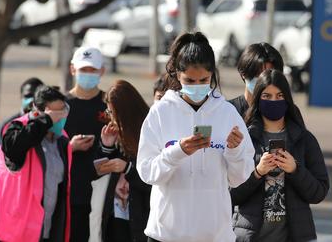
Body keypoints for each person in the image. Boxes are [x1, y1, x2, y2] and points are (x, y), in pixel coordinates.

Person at [137, 32, 255, 242]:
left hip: (215, 235)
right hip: (166, 235)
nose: (197, 85)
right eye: (189, 80)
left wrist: (235, 150)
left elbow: (239, 179)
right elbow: (147, 173)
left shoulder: (227, 113)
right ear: (177, 75)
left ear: (212, 75)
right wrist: (178, 151)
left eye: (204, 80)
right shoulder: (160, 112)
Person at [231, 69, 329, 242]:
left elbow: (319, 192)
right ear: (258, 99)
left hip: (294, 236)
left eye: (279, 95)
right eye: (267, 96)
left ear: (288, 99)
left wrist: (296, 170)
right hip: (249, 236)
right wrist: (257, 173)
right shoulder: (245, 139)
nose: (273, 101)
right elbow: (230, 195)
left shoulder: (304, 139)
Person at [0, 86, 72, 242]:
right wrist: (45, 121)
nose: (61, 118)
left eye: (64, 112)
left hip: (40, 232)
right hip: (2, 232)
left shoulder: (62, 141)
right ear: (39, 114)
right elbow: (14, 147)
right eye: (56, 115)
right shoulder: (17, 128)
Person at [92, 80, 152, 242]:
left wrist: (128, 169)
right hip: (115, 212)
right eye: (109, 112)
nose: (110, 117)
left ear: (125, 111)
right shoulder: (116, 131)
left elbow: (156, 179)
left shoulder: (149, 130)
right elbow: (98, 170)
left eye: (113, 113)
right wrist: (106, 146)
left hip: (142, 215)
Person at [65, 46, 108, 242]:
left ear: (102, 71)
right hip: (67, 188)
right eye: (83, 70)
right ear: (72, 69)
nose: (88, 75)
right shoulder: (62, 105)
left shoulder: (109, 104)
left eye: (92, 70)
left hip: (103, 186)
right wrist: (70, 147)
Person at [229, 43, 285, 117]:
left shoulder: (286, 111)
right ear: (243, 74)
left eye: (269, 75)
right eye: (257, 74)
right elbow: (209, 128)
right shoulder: (228, 110)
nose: (263, 80)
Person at [0, 77, 44, 154]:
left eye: (35, 96)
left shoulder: (49, 125)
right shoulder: (8, 125)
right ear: (21, 97)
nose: (31, 100)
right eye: (27, 96)